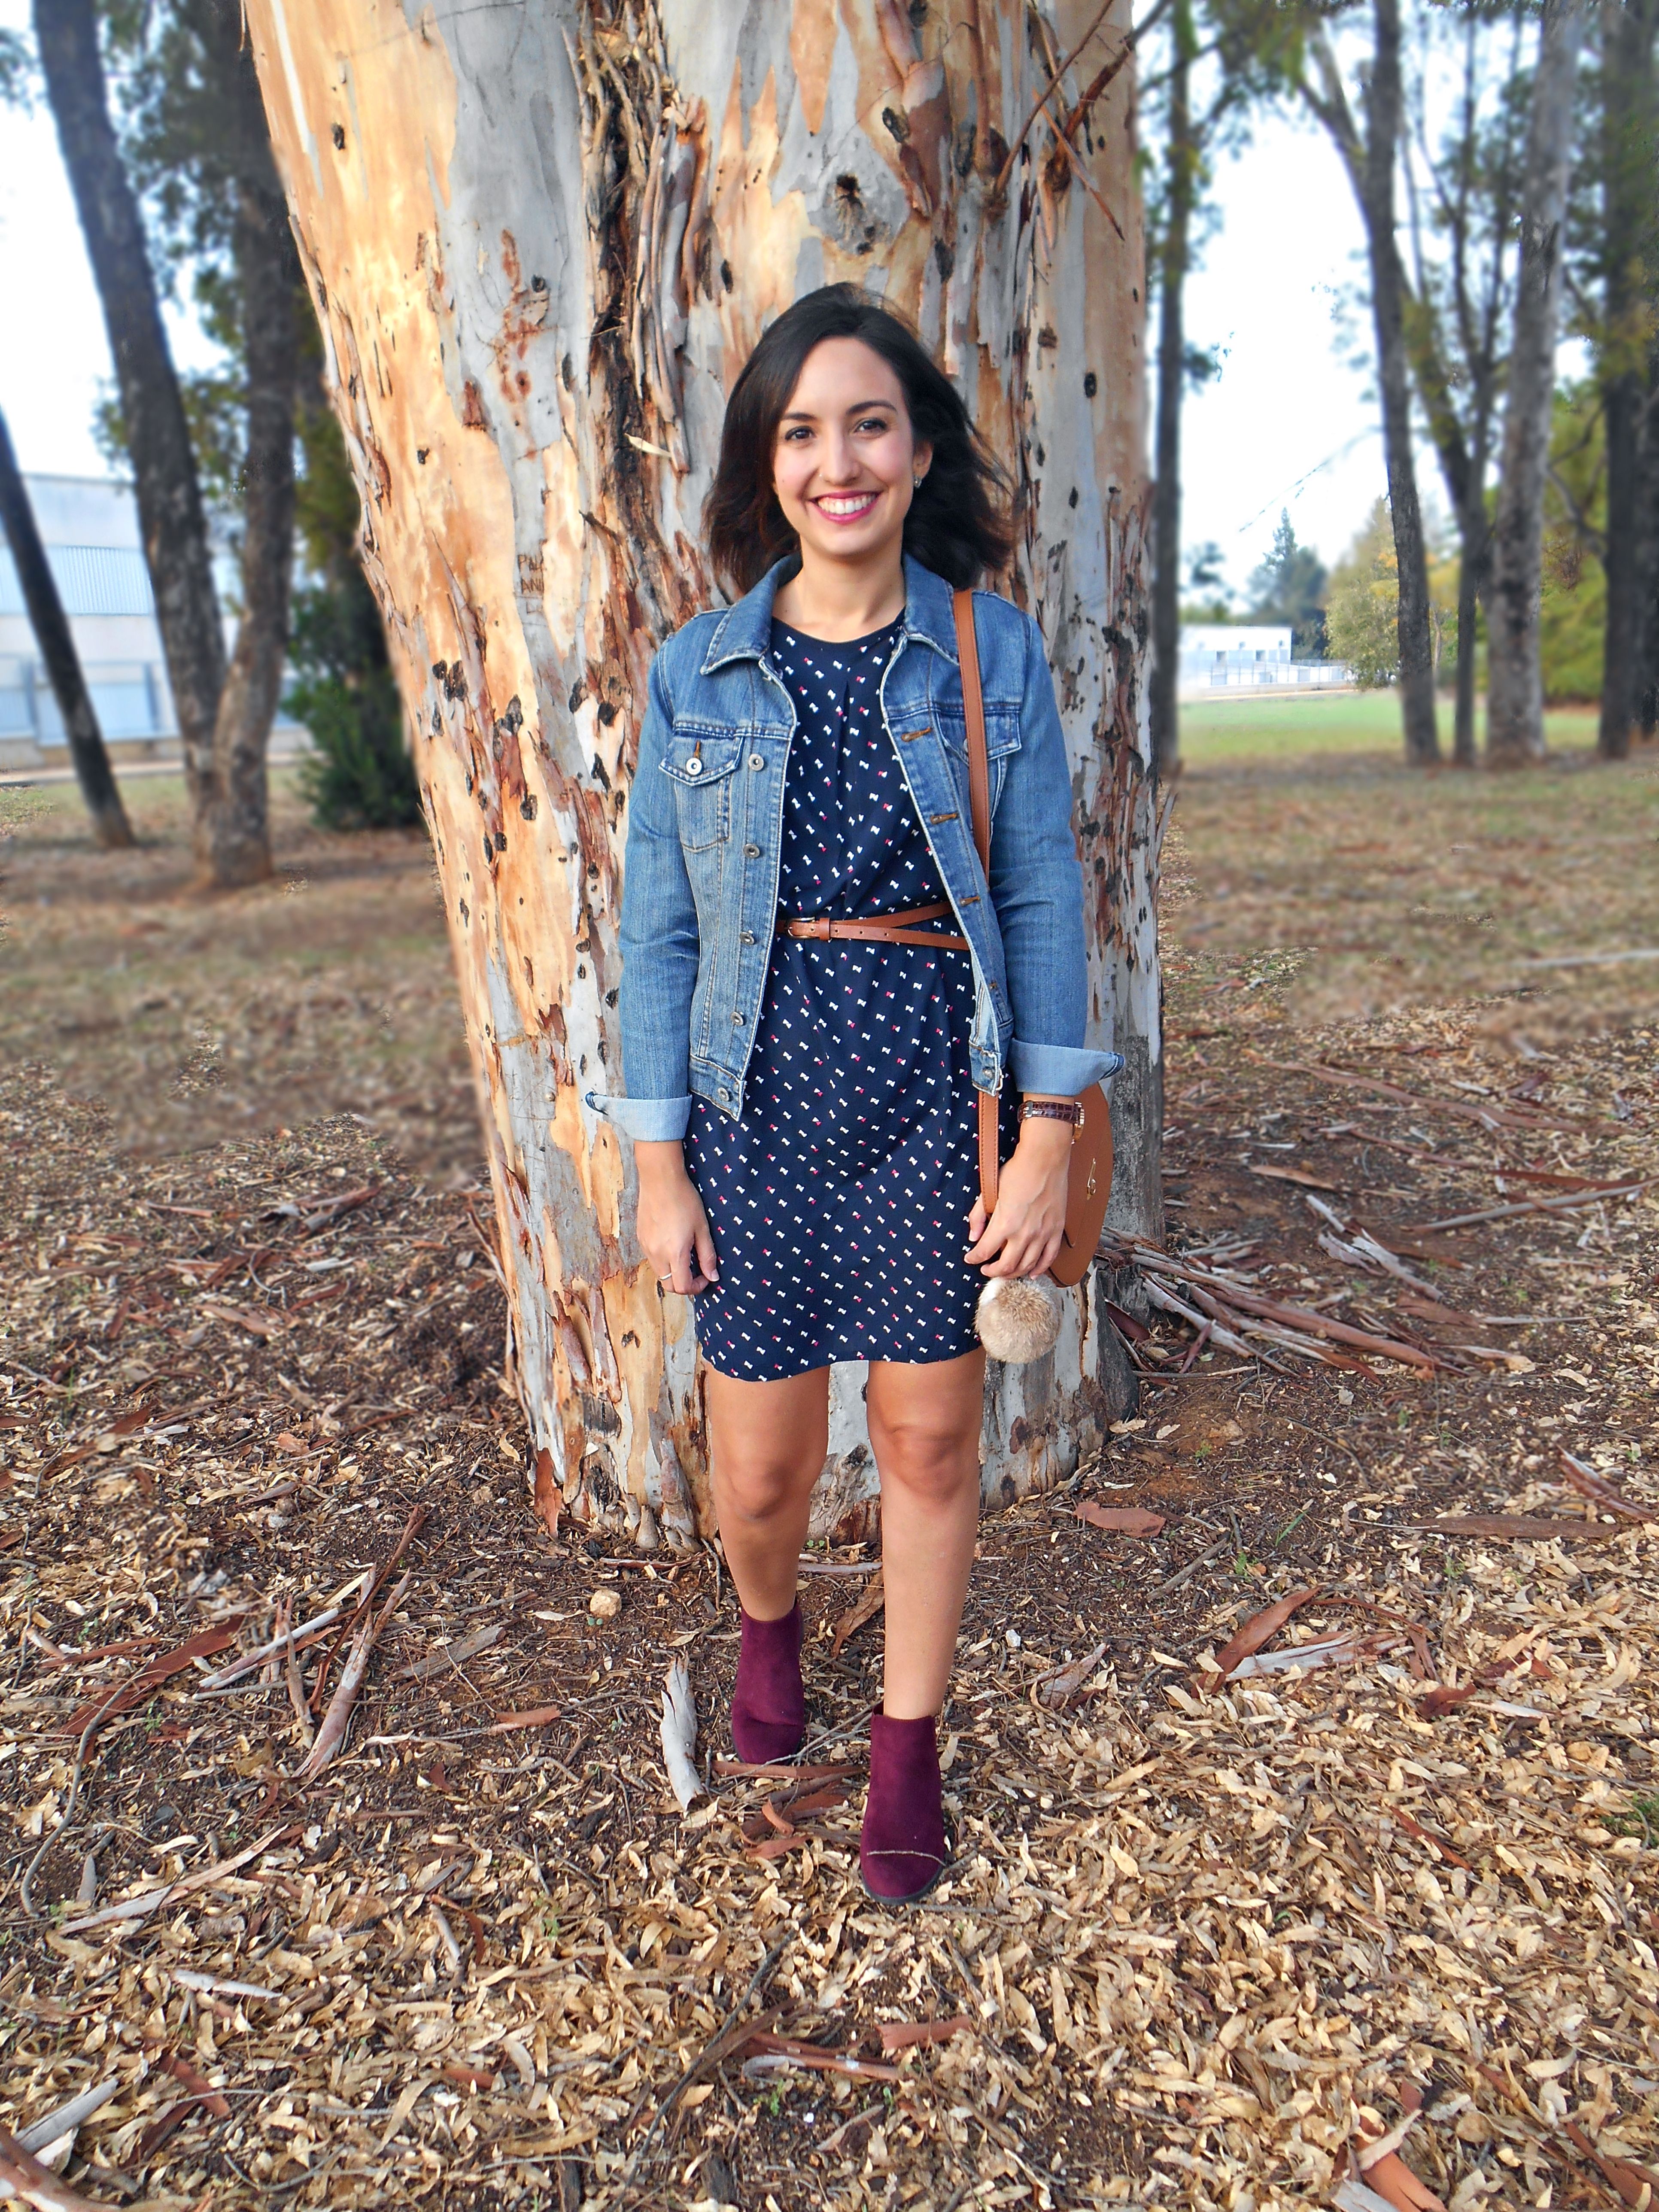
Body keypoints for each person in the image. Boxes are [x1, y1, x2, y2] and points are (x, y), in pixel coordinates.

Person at [588, 285, 1119, 1904]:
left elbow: (1041, 898)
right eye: (805, 432)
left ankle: (906, 1743)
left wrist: (1047, 1141)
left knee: (929, 1442)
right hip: (751, 1108)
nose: (841, 462)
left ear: (920, 449)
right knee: (757, 1473)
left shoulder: (984, 647)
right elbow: (660, 934)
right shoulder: (701, 672)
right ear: (769, 465)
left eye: (870, 426)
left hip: (933, 1098)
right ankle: (769, 1628)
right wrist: (659, 1166)